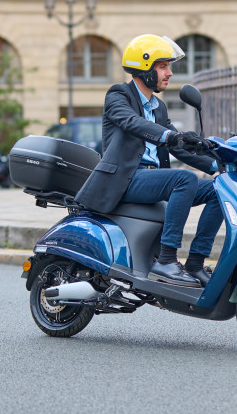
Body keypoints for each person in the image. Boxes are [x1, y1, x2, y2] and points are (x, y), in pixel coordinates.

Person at [74, 34, 223, 288]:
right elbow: (132, 123)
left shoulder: (159, 107)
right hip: (125, 179)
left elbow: (179, 148)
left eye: (168, 66)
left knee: (219, 190)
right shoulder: (118, 96)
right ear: (145, 68)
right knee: (184, 179)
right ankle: (166, 260)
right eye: (163, 66)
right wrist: (169, 134)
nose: (170, 73)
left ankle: (196, 263)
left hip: (151, 180)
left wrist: (217, 165)